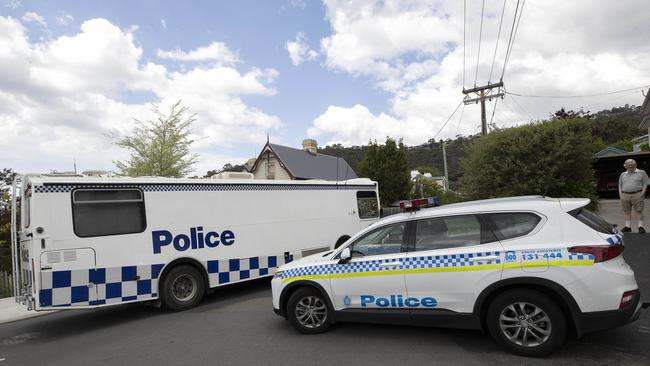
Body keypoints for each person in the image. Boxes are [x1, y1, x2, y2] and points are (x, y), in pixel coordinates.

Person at [618, 159, 650, 233]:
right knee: (627, 212)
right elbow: (620, 185)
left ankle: (640, 227)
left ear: (635, 165)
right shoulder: (623, 174)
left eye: (632, 164)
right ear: (625, 166)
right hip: (625, 195)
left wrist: (642, 194)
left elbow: (645, 184)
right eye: (628, 165)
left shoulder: (642, 172)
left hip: (637, 194)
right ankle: (628, 227)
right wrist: (621, 195)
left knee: (639, 211)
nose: (630, 166)